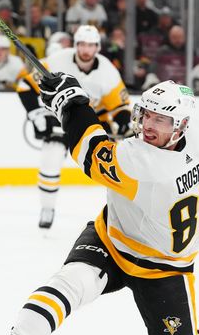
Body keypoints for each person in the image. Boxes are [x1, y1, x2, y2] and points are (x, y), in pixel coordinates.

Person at [0, 75, 199, 335]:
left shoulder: (143, 163)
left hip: (163, 268)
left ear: (180, 125)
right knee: (74, 281)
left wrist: (71, 104)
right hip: (113, 236)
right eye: (147, 114)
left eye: (160, 119)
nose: (148, 124)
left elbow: (90, 150)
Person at [17, 25, 131, 230]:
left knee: (114, 170)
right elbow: (25, 87)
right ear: (75, 45)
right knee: (50, 158)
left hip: (93, 123)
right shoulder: (57, 60)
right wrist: (36, 114)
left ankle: (122, 216)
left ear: (97, 47)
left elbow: (121, 106)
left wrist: (123, 122)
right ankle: (47, 208)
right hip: (63, 120)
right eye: (82, 45)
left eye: (91, 45)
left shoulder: (107, 70)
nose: (86, 50)